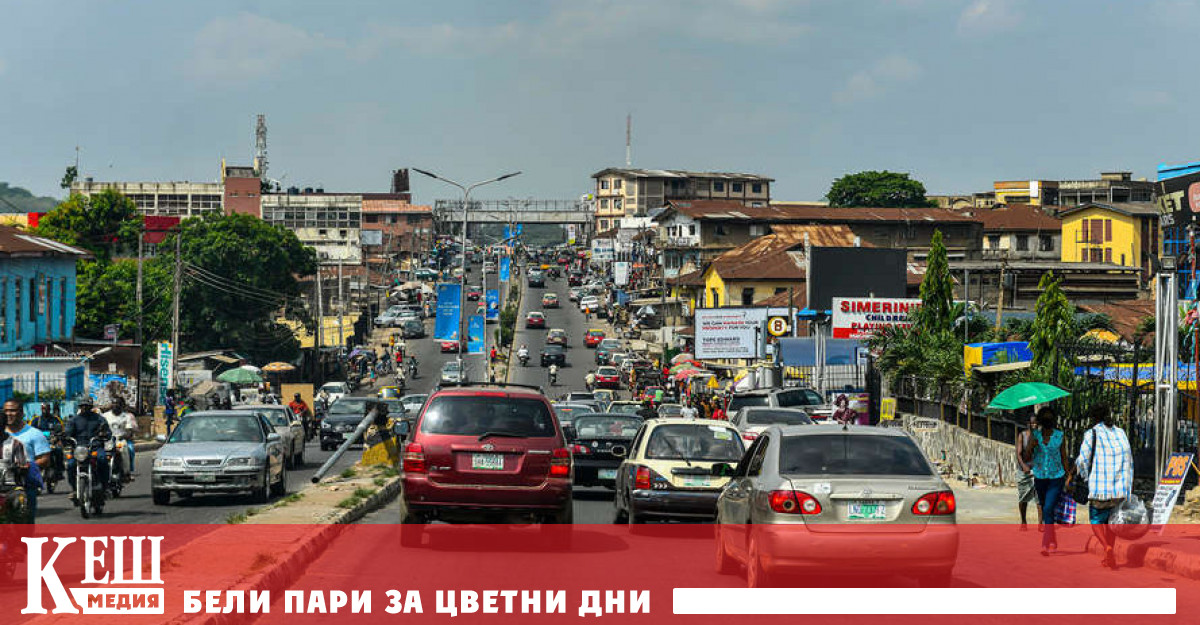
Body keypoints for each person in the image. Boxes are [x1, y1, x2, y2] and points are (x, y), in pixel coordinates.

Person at [1075, 404, 1133, 569]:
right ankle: (1110, 555)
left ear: (1094, 418)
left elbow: (1083, 460)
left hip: (1100, 488)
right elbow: (1129, 459)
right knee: (1111, 523)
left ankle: (1106, 547)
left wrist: (1086, 477)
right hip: (1119, 488)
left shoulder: (1091, 433)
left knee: (1096, 520)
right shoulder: (1121, 433)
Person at [1024, 407, 1068, 556]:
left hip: (1056, 477)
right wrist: (1031, 447)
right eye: (1045, 418)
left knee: (1048, 508)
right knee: (1045, 509)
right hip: (1040, 477)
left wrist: (1068, 477)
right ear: (1041, 421)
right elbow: (1026, 457)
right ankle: (1053, 539)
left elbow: (1064, 457)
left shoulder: (1060, 436)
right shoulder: (1035, 435)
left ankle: (1045, 542)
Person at [5, 399, 48, 521]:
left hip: (24, 485)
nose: (9, 414)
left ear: (21, 413)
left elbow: (44, 459)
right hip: (3, 485)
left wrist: (26, 466)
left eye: (13, 410)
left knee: (25, 522)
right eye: (6, 410)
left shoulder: (35, 434)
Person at [63, 398, 112, 499]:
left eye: (87, 406)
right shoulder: (74, 420)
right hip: (79, 449)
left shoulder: (99, 419)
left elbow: (108, 432)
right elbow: (68, 432)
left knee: (102, 459)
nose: (84, 408)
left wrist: (104, 434)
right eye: (82, 406)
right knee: (71, 464)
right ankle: (74, 488)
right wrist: (65, 436)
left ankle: (105, 486)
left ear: (91, 407)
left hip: (95, 447)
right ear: (80, 407)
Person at [103, 398, 139, 481]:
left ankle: (127, 472)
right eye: (114, 403)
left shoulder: (126, 416)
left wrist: (123, 436)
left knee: (126, 449)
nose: (115, 406)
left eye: (118, 404)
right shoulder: (105, 416)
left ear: (121, 406)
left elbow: (129, 430)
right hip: (108, 440)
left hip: (120, 439)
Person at [1015, 412, 1040, 531]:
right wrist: (1024, 466)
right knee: (1023, 497)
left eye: (1036, 423)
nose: (1034, 425)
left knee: (1040, 498)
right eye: (1032, 423)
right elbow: (1018, 454)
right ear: (1028, 424)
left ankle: (1041, 523)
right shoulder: (1022, 435)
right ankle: (1023, 521)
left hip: (1037, 470)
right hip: (1024, 471)